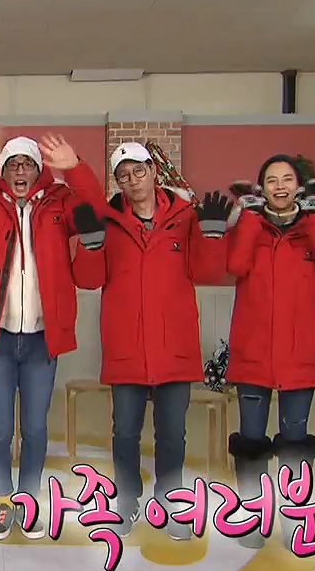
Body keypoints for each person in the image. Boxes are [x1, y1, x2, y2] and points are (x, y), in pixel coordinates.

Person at [0, 128, 105, 541]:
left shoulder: (59, 203)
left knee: (34, 426)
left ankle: (27, 500)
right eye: (11, 164)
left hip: (42, 338)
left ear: (38, 171)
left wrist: (76, 167)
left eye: (27, 164)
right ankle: (1, 500)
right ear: (1, 171)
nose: (19, 171)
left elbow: (96, 208)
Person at [71, 142, 232, 540]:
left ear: (153, 171)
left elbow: (208, 273)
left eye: (138, 171)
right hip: (126, 346)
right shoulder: (107, 221)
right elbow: (88, 280)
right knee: (124, 433)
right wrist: (90, 244)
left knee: (172, 434)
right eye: (123, 175)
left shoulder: (185, 217)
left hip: (174, 345)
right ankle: (126, 502)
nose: (133, 180)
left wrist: (213, 236)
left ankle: (171, 504)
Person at [224, 156, 315, 549]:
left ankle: (295, 523)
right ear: (260, 188)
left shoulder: (313, 227)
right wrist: (250, 217)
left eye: (287, 179)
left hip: (300, 356)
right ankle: (252, 520)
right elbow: (236, 264)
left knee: (295, 441)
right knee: (251, 442)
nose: (279, 186)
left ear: (299, 187)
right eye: (271, 180)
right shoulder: (249, 225)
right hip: (252, 354)